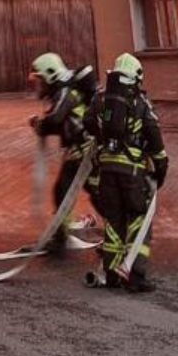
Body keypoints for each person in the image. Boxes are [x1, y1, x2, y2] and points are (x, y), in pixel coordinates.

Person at [84, 53, 168, 292]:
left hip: (106, 171)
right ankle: (135, 276)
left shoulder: (100, 98)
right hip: (131, 172)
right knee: (138, 220)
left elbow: (88, 122)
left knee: (114, 220)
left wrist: (104, 139)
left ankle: (111, 274)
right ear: (137, 77)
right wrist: (160, 170)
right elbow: (155, 137)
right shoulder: (140, 102)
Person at [29, 52, 98, 254]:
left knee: (70, 191)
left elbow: (55, 119)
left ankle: (61, 239)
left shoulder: (65, 92)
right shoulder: (66, 91)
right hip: (82, 149)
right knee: (69, 191)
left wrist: (39, 124)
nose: (38, 87)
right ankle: (62, 235)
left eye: (39, 81)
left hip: (84, 150)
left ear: (50, 75)